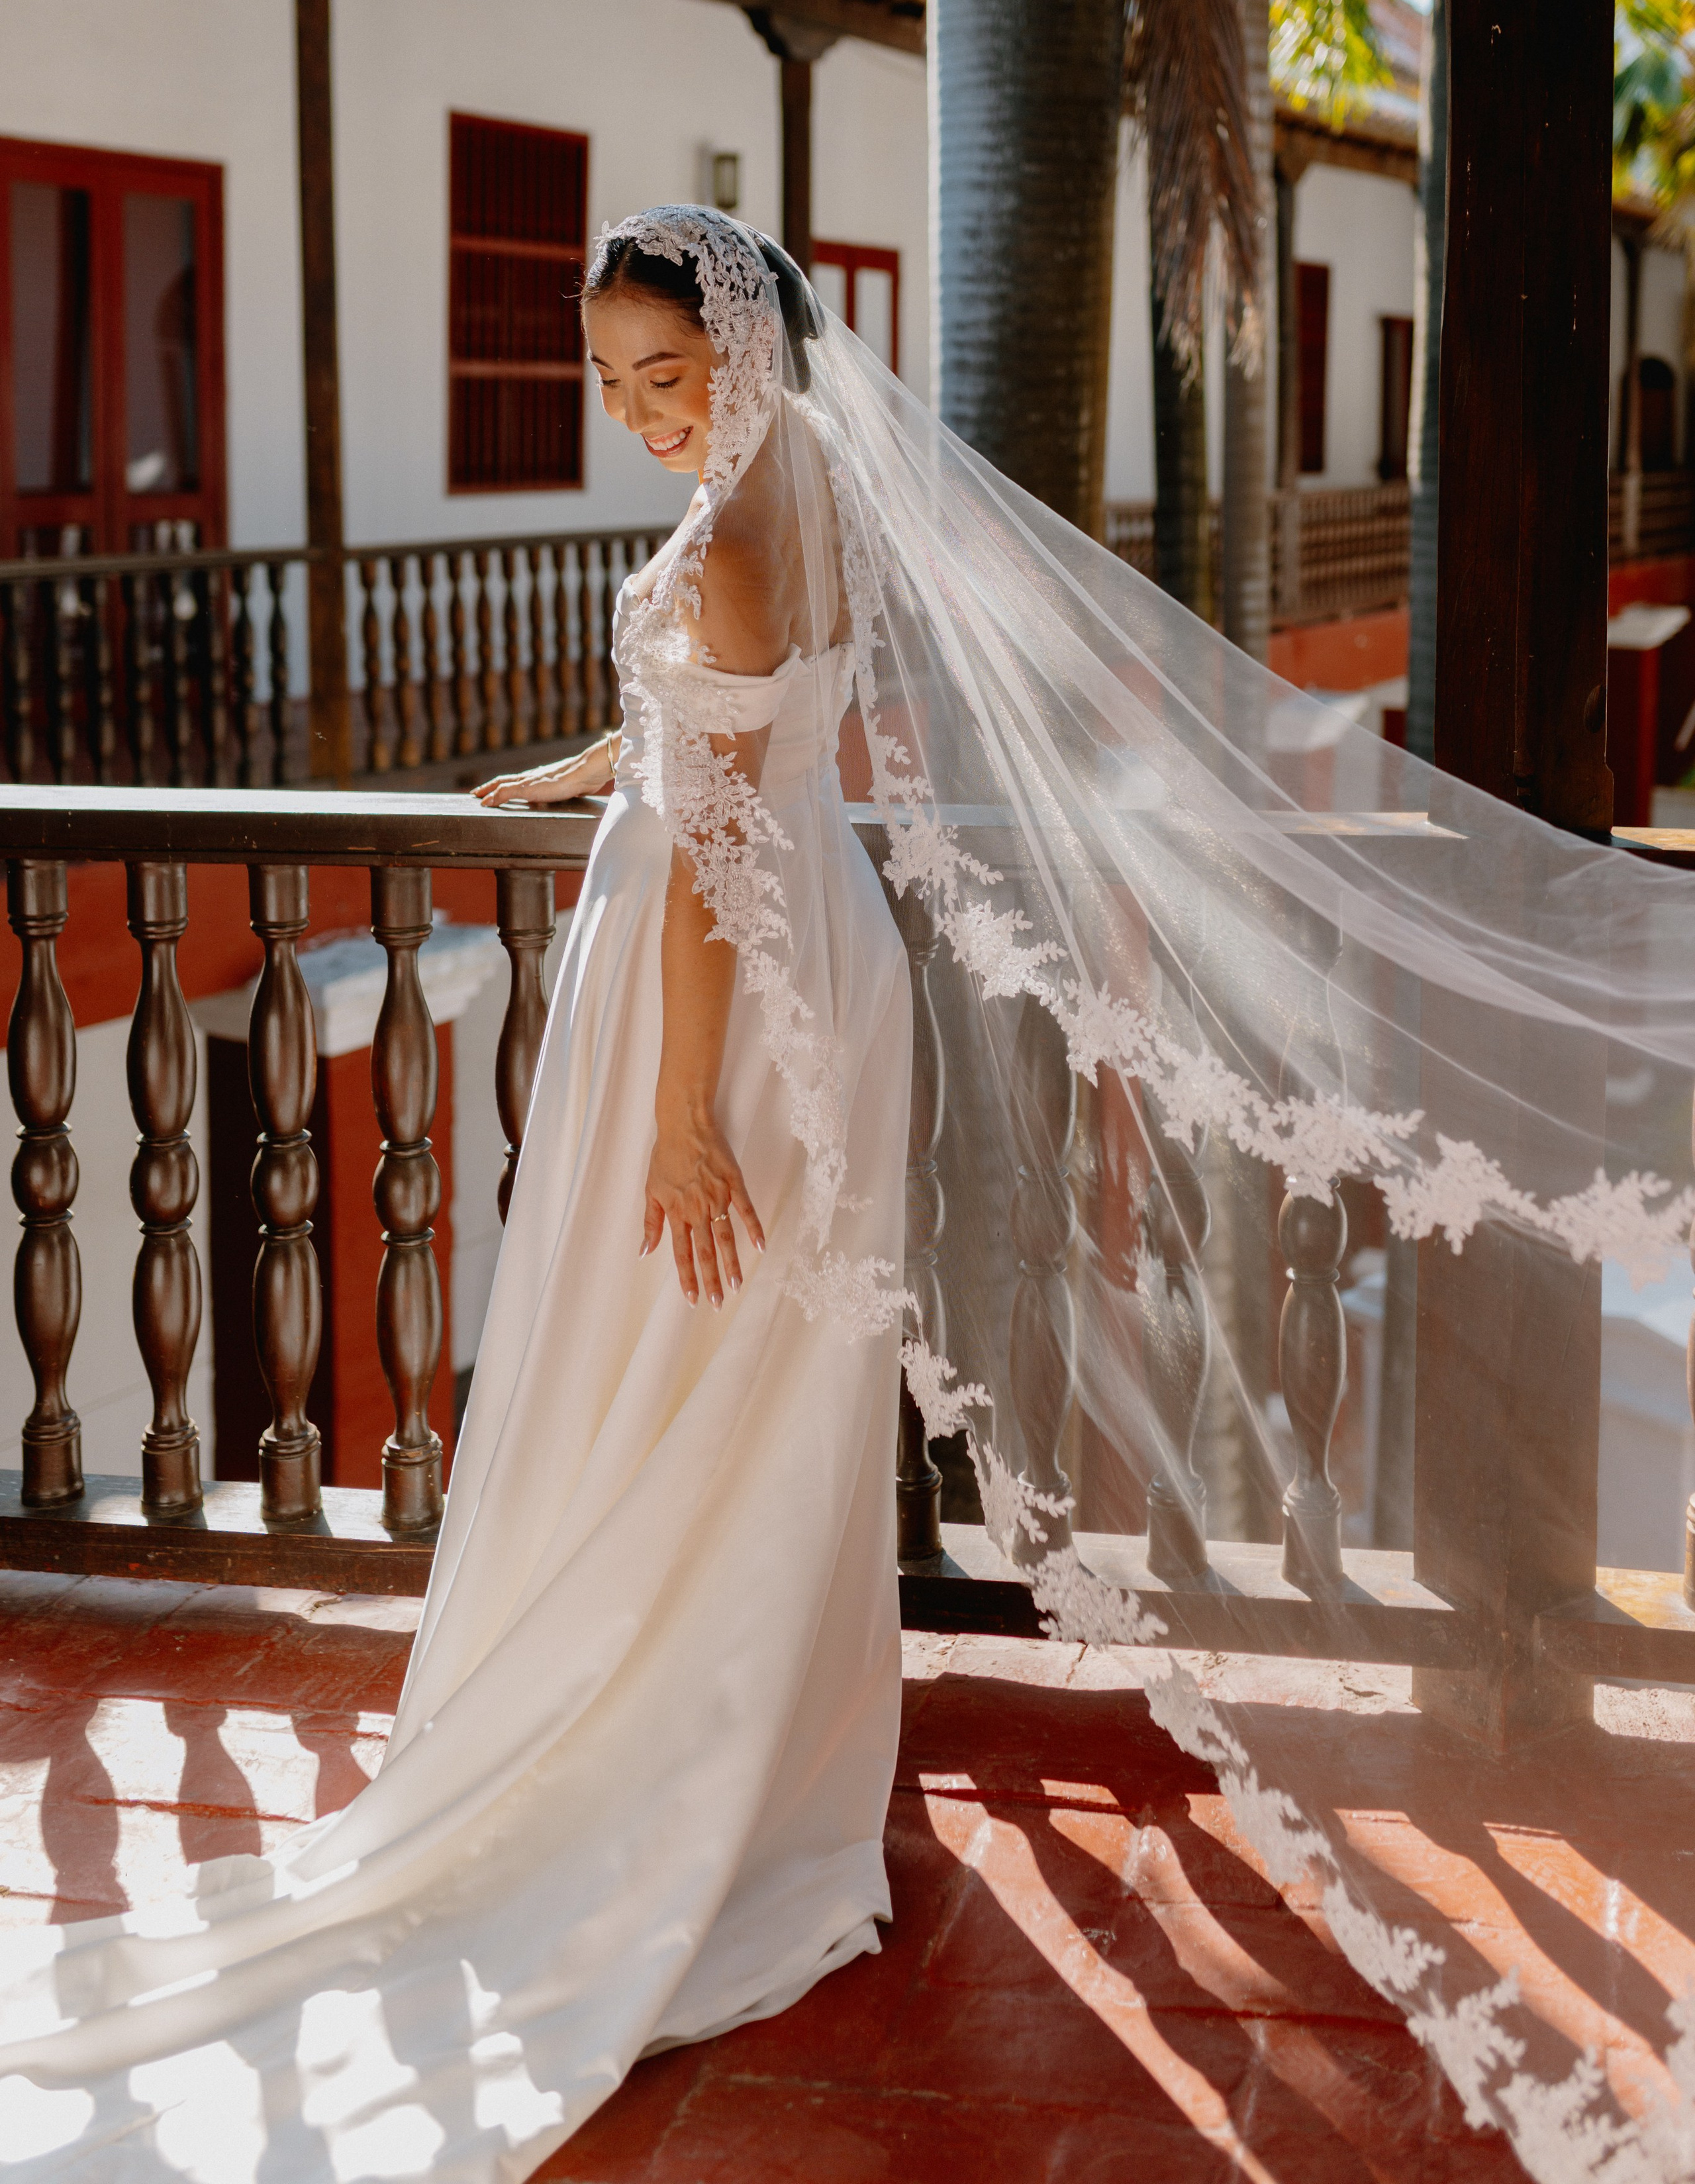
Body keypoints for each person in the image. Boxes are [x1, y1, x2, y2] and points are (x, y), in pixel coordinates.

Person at [7, 207, 1695, 2177]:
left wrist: (681, 1114)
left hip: (732, 993)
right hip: (807, 948)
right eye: (612, 382)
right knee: (738, 1372)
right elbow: (728, 722)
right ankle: (760, 1756)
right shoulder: (792, 481)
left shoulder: (735, 527)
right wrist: (585, 773)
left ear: (745, 351)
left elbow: (717, 833)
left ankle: (678, 1767)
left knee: (678, 1354)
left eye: (670, 375)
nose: (643, 414)